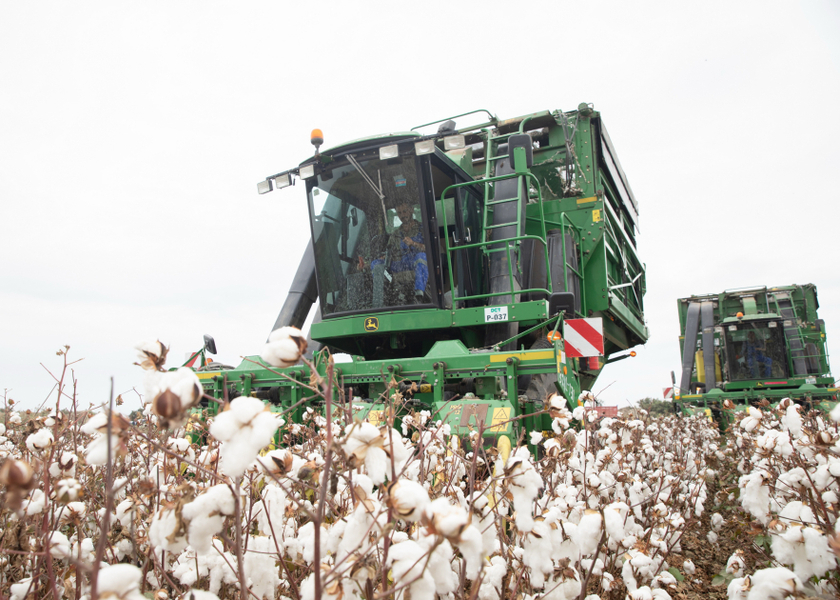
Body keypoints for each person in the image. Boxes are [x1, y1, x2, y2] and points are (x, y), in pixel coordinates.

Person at [361, 202, 429, 304]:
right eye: (399, 213)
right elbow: (390, 255)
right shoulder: (395, 235)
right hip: (401, 265)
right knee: (377, 263)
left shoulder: (424, 229)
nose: (402, 215)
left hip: (417, 264)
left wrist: (413, 243)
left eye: (405, 211)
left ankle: (419, 294)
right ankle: (380, 298)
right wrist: (367, 265)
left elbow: (431, 251)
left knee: (421, 256)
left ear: (412, 210)